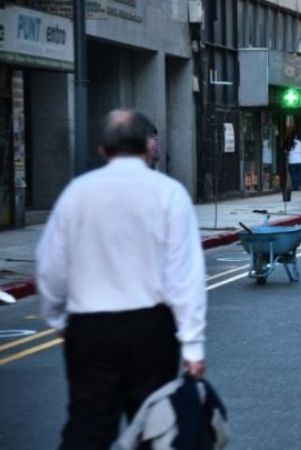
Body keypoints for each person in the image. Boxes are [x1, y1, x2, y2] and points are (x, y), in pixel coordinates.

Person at [36, 109, 207, 449]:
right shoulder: (168, 193)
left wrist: (58, 318)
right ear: (149, 146)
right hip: (151, 327)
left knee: (88, 425)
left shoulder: (76, 193)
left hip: (90, 327)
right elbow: (184, 274)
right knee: (153, 426)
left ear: (102, 149)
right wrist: (192, 344)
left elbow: (50, 266)